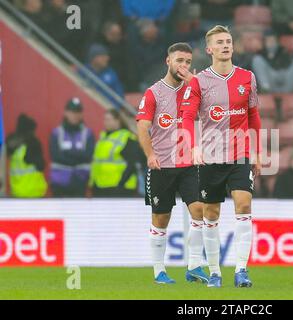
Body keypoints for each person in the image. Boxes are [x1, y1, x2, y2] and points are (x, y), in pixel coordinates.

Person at [181, 25, 262, 288]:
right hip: (210, 156)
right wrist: (193, 146)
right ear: (210, 49)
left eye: (229, 41)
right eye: (220, 42)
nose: (226, 45)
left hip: (240, 154)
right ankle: (215, 272)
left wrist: (258, 152)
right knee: (211, 213)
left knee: (244, 204)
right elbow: (186, 118)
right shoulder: (198, 81)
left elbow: (254, 117)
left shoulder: (247, 78)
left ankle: (241, 270)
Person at [136, 42, 208, 284]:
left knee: (200, 209)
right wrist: (150, 154)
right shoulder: (153, 93)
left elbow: (215, 112)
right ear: (168, 61)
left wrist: (198, 87)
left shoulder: (194, 90)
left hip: (189, 164)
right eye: (179, 60)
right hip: (162, 166)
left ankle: (195, 266)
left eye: (188, 62)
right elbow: (142, 127)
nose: (184, 66)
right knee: (161, 218)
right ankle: (159, 271)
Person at [90, 110, 144, 197]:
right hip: (100, 186)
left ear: (117, 121)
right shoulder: (103, 137)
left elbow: (132, 164)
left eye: (108, 119)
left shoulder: (127, 138)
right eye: (105, 119)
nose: (105, 122)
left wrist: (120, 184)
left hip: (119, 188)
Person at [49, 98, 95, 197]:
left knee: (78, 212)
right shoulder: (56, 133)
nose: (75, 115)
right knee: (60, 212)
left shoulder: (88, 134)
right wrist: (78, 155)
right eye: (72, 112)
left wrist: (66, 153)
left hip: (80, 181)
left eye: (78, 112)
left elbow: (88, 156)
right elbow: (55, 156)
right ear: (66, 113)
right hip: (59, 183)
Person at [252, 29, 293, 93]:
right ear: (264, 42)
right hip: (271, 85)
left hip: (287, 81)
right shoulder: (261, 53)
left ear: (277, 41)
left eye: (273, 40)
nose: (271, 43)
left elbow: (287, 65)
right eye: (268, 41)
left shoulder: (283, 51)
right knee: (257, 59)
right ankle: (265, 87)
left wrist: (277, 54)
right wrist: (267, 55)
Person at [6, 114, 47, 198]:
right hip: (34, 192)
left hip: (16, 192)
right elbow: (41, 165)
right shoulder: (33, 143)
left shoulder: (11, 144)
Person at [80, 44, 125, 109]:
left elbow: (119, 95)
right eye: (103, 56)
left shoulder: (111, 73)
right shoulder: (83, 72)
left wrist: (114, 109)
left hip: (110, 111)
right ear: (94, 58)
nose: (107, 58)